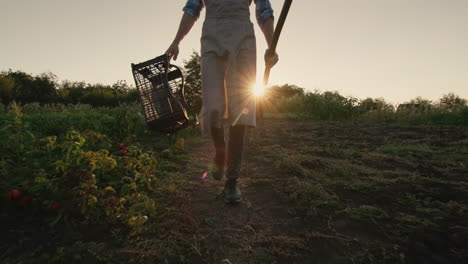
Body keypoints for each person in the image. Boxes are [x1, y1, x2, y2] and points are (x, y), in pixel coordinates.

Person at [166, 0, 279, 204]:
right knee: (213, 106)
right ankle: (220, 150)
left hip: (243, 36)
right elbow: (192, 9)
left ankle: (232, 181)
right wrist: (176, 41)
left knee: (240, 110)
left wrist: (272, 47)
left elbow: (264, 12)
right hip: (212, 35)